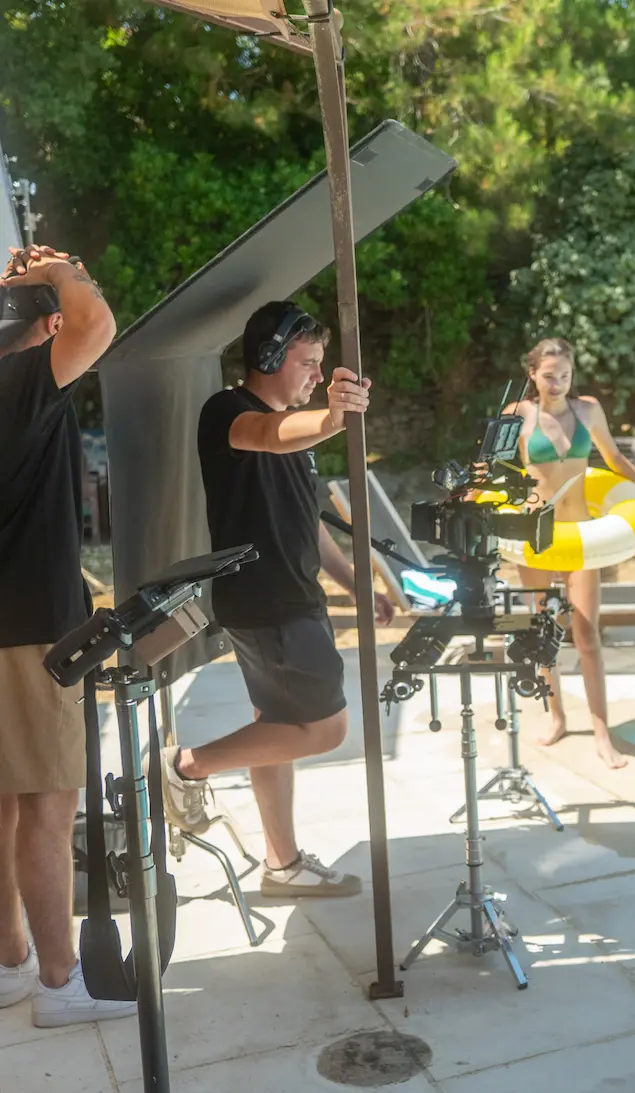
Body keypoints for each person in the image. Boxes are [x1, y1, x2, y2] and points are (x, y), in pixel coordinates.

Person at [160, 301, 394, 898]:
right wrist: (334, 418)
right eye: (309, 363)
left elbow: (306, 521)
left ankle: (282, 865)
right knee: (326, 730)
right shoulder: (229, 412)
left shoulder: (296, 435)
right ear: (269, 357)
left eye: (321, 367)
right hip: (271, 605)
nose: (318, 376)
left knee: (279, 727)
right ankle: (184, 767)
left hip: (290, 600)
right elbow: (270, 435)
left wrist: (355, 585)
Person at [0, 243, 138, 1026]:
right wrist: (63, 270)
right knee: (50, 811)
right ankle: (60, 983)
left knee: (2, 807)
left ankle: (10, 962)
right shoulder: (22, 382)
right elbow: (97, 323)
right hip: (33, 632)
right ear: (46, 326)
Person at [506, 338, 635, 769]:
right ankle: (555, 716)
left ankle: (601, 733)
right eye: (549, 375)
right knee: (542, 636)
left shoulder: (588, 410)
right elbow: (494, 468)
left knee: (586, 636)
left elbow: (611, 457)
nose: (557, 383)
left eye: (565, 375)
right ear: (532, 373)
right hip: (536, 538)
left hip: (580, 536)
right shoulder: (517, 415)